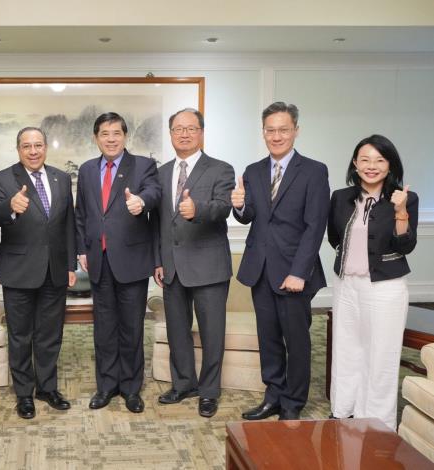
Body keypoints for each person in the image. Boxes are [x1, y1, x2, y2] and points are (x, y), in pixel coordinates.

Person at [231, 102, 329, 421]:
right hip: (261, 270)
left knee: (296, 341)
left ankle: (292, 403)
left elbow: (315, 226)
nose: (277, 136)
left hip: (293, 273)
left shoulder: (314, 171)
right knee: (268, 338)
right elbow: (252, 218)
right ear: (263, 133)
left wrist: (299, 272)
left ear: (296, 131)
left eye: (283, 129)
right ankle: (272, 395)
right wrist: (240, 206)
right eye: (270, 130)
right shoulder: (254, 170)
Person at [0, 127, 76, 419]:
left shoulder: (61, 178)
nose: (33, 151)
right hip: (19, 270)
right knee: (21, 336)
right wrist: (9, 208)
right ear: (18, 149)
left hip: (55, 269)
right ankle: (24, 394)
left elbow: (68, 225)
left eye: (38, 145)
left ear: (46, 147)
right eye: (27, 146)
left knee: (50, 335)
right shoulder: (2, 179)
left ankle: (47, 387)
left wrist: (71, 264)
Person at [328, 134, 417, 430]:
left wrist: (400, 211)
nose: (371, 166)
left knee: (380, 352)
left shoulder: (404, 198)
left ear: (389, 165)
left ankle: (376, 420)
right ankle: (344, 409)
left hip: (384, 288)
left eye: (379, 160)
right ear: (355, 164)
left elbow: (405, 246)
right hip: (346, 285)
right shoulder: (341, 197)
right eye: (365, 159)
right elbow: (333, 238)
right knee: (346, 347)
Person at [151, 108, 235, 417]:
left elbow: (223, 207)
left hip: (209, 266)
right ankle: (183, 383)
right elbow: (156, 223)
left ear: (201, 132)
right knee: (177, 331)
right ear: (170, 134)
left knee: (212, 332)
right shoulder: (160, 174)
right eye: (177, 129)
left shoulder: (220, 169)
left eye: (190, 128)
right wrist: (158, 260)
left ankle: (209, 391)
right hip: (171, 267)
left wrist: (197, 209)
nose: (184, 134)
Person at [75, 112, 161, 413]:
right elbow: (81, 214)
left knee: (131, 328)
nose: (111, 139)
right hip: (98, 261)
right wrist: (81, 250)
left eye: (116, 133)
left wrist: (142, 202)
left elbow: (154, 192)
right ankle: (107, 386)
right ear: (96, 138)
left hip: (132, 260)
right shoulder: (86, 170)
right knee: (104, 329)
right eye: (104, 134)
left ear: (125, 136)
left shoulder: (143, 165)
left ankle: (131, 388)